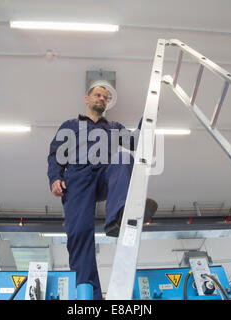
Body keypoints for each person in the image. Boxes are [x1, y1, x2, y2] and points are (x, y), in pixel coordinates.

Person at [47, 85, 157, 300]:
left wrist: (148, 116)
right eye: (98, 95)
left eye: (106, 98)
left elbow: (135, 141)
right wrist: (55, 177)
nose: (102, 99)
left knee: (124, 158)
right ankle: (88, 295)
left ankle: (119, 215)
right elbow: (54, 154)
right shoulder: (70, 125)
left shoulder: (114, 127)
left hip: (105, 175)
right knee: (79, 234)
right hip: (77, 179)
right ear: (87, 99)